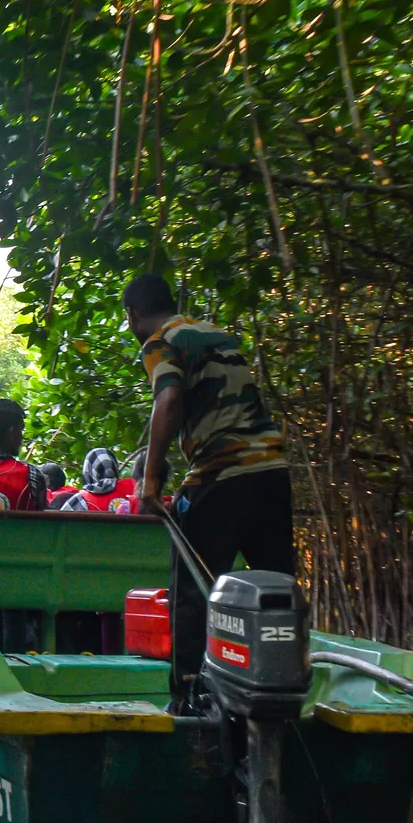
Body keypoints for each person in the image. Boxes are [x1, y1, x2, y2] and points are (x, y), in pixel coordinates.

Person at [123, 271, 293, 706]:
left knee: (192, 593)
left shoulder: (161, 340)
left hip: (221, 477)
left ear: (134, 314)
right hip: (272, 473)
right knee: (278, 590)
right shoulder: (218, 334)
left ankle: (186, 698)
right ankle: (284, 687)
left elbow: (169, 398)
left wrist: (151, 480)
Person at [57, 448, 135, 514]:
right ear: (114, 466)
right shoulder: (134, 487)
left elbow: (62, 525)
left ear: (88, 470)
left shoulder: (80, 499)